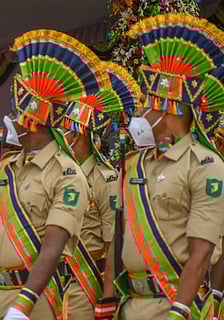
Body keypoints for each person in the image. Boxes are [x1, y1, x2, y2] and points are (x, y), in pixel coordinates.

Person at [0, 30, 115, 320]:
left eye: (18, 111)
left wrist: (25, 304)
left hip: (54, 286)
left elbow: (83, 245)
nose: (12, 119)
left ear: (32, 120)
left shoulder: (72, 175)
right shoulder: (8, 166)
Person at [103, 14, 224, 320]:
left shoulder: (206, 166)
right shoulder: (134, 164)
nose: (140, 111)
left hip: (174, 305)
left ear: (168, 105)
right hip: (130, 304)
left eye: (146, 102)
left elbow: (201, 253)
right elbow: (118, 241)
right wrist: (106, 304)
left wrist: (179, 312)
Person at [59, 62, 140, 320]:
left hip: (85, 278)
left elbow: (112, 242)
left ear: (82, 134)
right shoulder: (57, 172)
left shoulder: (106, 179)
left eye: (68, 130)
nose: (62, 135)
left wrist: (108, 297)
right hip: (52, 278)